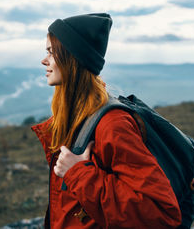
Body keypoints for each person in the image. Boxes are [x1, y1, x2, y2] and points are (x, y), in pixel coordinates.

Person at [31, 13, 182, 228]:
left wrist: (78, 172)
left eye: (51, 52)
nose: (44, 60)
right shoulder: (75, 118)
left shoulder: (113, 125)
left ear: (72, 58)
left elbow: (161, 215)